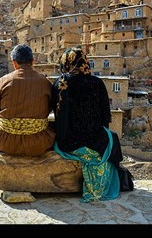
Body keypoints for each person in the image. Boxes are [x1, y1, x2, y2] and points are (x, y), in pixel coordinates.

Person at [52, 46, 123, 202]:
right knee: (113, 139)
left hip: (69, 143)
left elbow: (59, 118)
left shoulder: (61, 83)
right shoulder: (97, 83)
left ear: (66, 63)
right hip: (97, 141)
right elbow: (105, 118)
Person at [0, 44, 55, 156]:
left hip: (6, 144)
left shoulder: (3, 81)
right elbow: (49, 109)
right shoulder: (45, 82)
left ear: (14, 63)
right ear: (32, 61)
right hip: (39, 144)